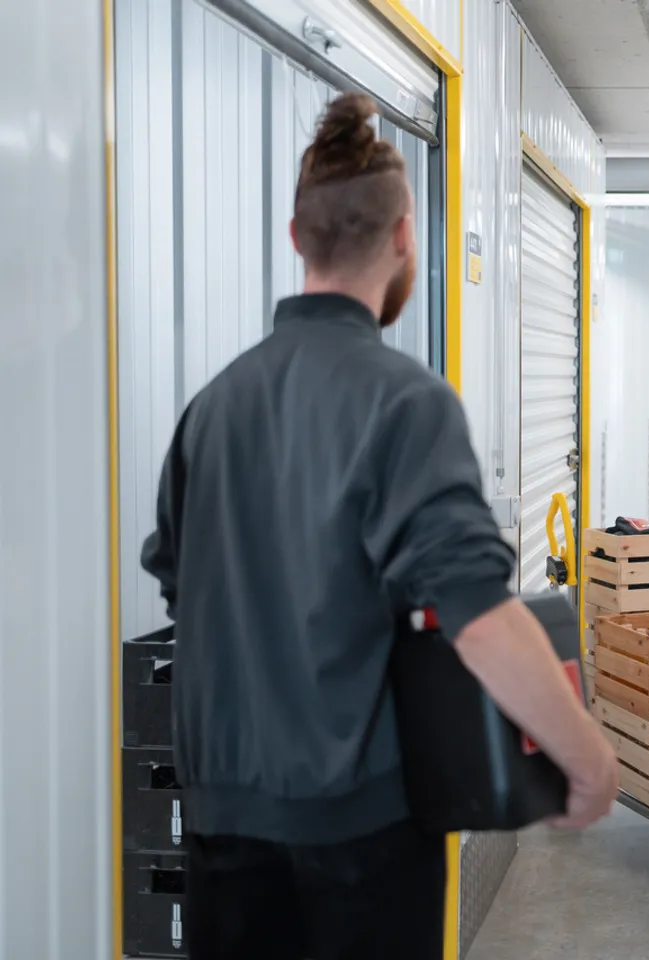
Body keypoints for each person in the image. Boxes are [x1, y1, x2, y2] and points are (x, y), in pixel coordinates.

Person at [140, 93, 618, 960]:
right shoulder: (407, 403)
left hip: (222, 828)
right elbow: (479, 616)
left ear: (297, 238)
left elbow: (181, 585)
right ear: (404, 237)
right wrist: (585, 758)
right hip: (362, 838)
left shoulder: (213, 407)